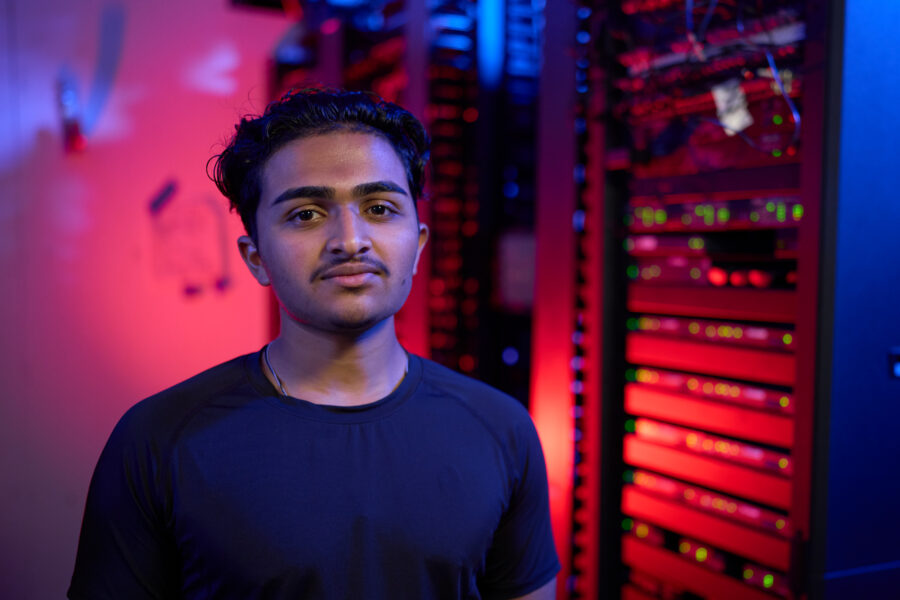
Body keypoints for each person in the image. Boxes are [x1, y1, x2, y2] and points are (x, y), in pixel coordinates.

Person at [68, 88, 559, 599]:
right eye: (306, 214)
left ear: (418, 244)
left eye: (379, 207)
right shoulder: (157, 441)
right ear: (255, 257)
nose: (350, 240)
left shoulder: (501, 430)